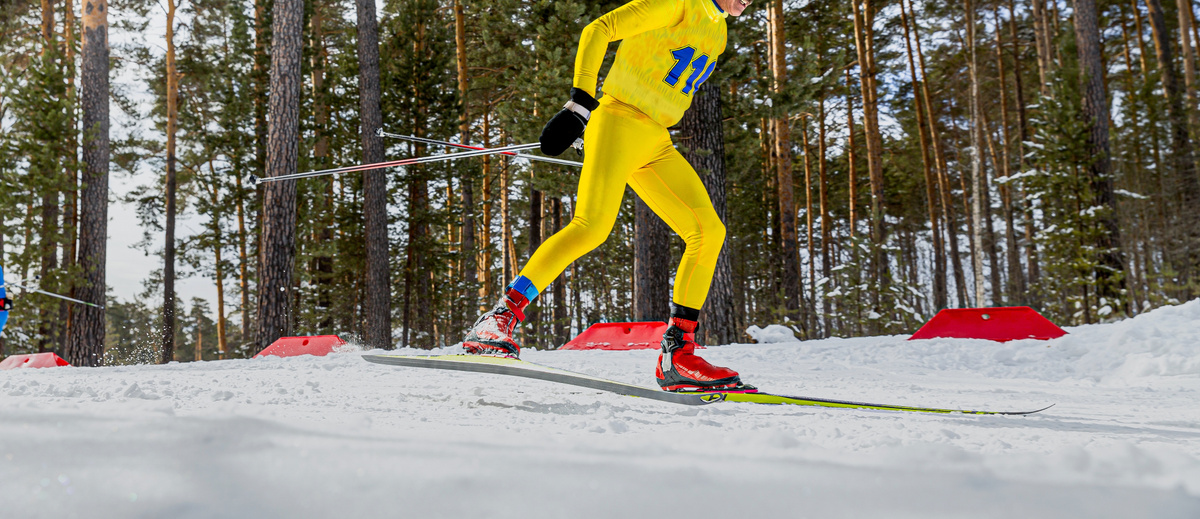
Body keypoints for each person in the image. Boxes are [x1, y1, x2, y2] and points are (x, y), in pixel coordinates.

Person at [462, 0, 753, 392]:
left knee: (708, 231)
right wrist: (581, 102)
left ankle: (678, 356)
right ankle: (498, 319)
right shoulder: (678, 4)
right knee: (592, 227)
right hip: (618, 119)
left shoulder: (717, 29)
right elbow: (598, 29)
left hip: (656, 139)